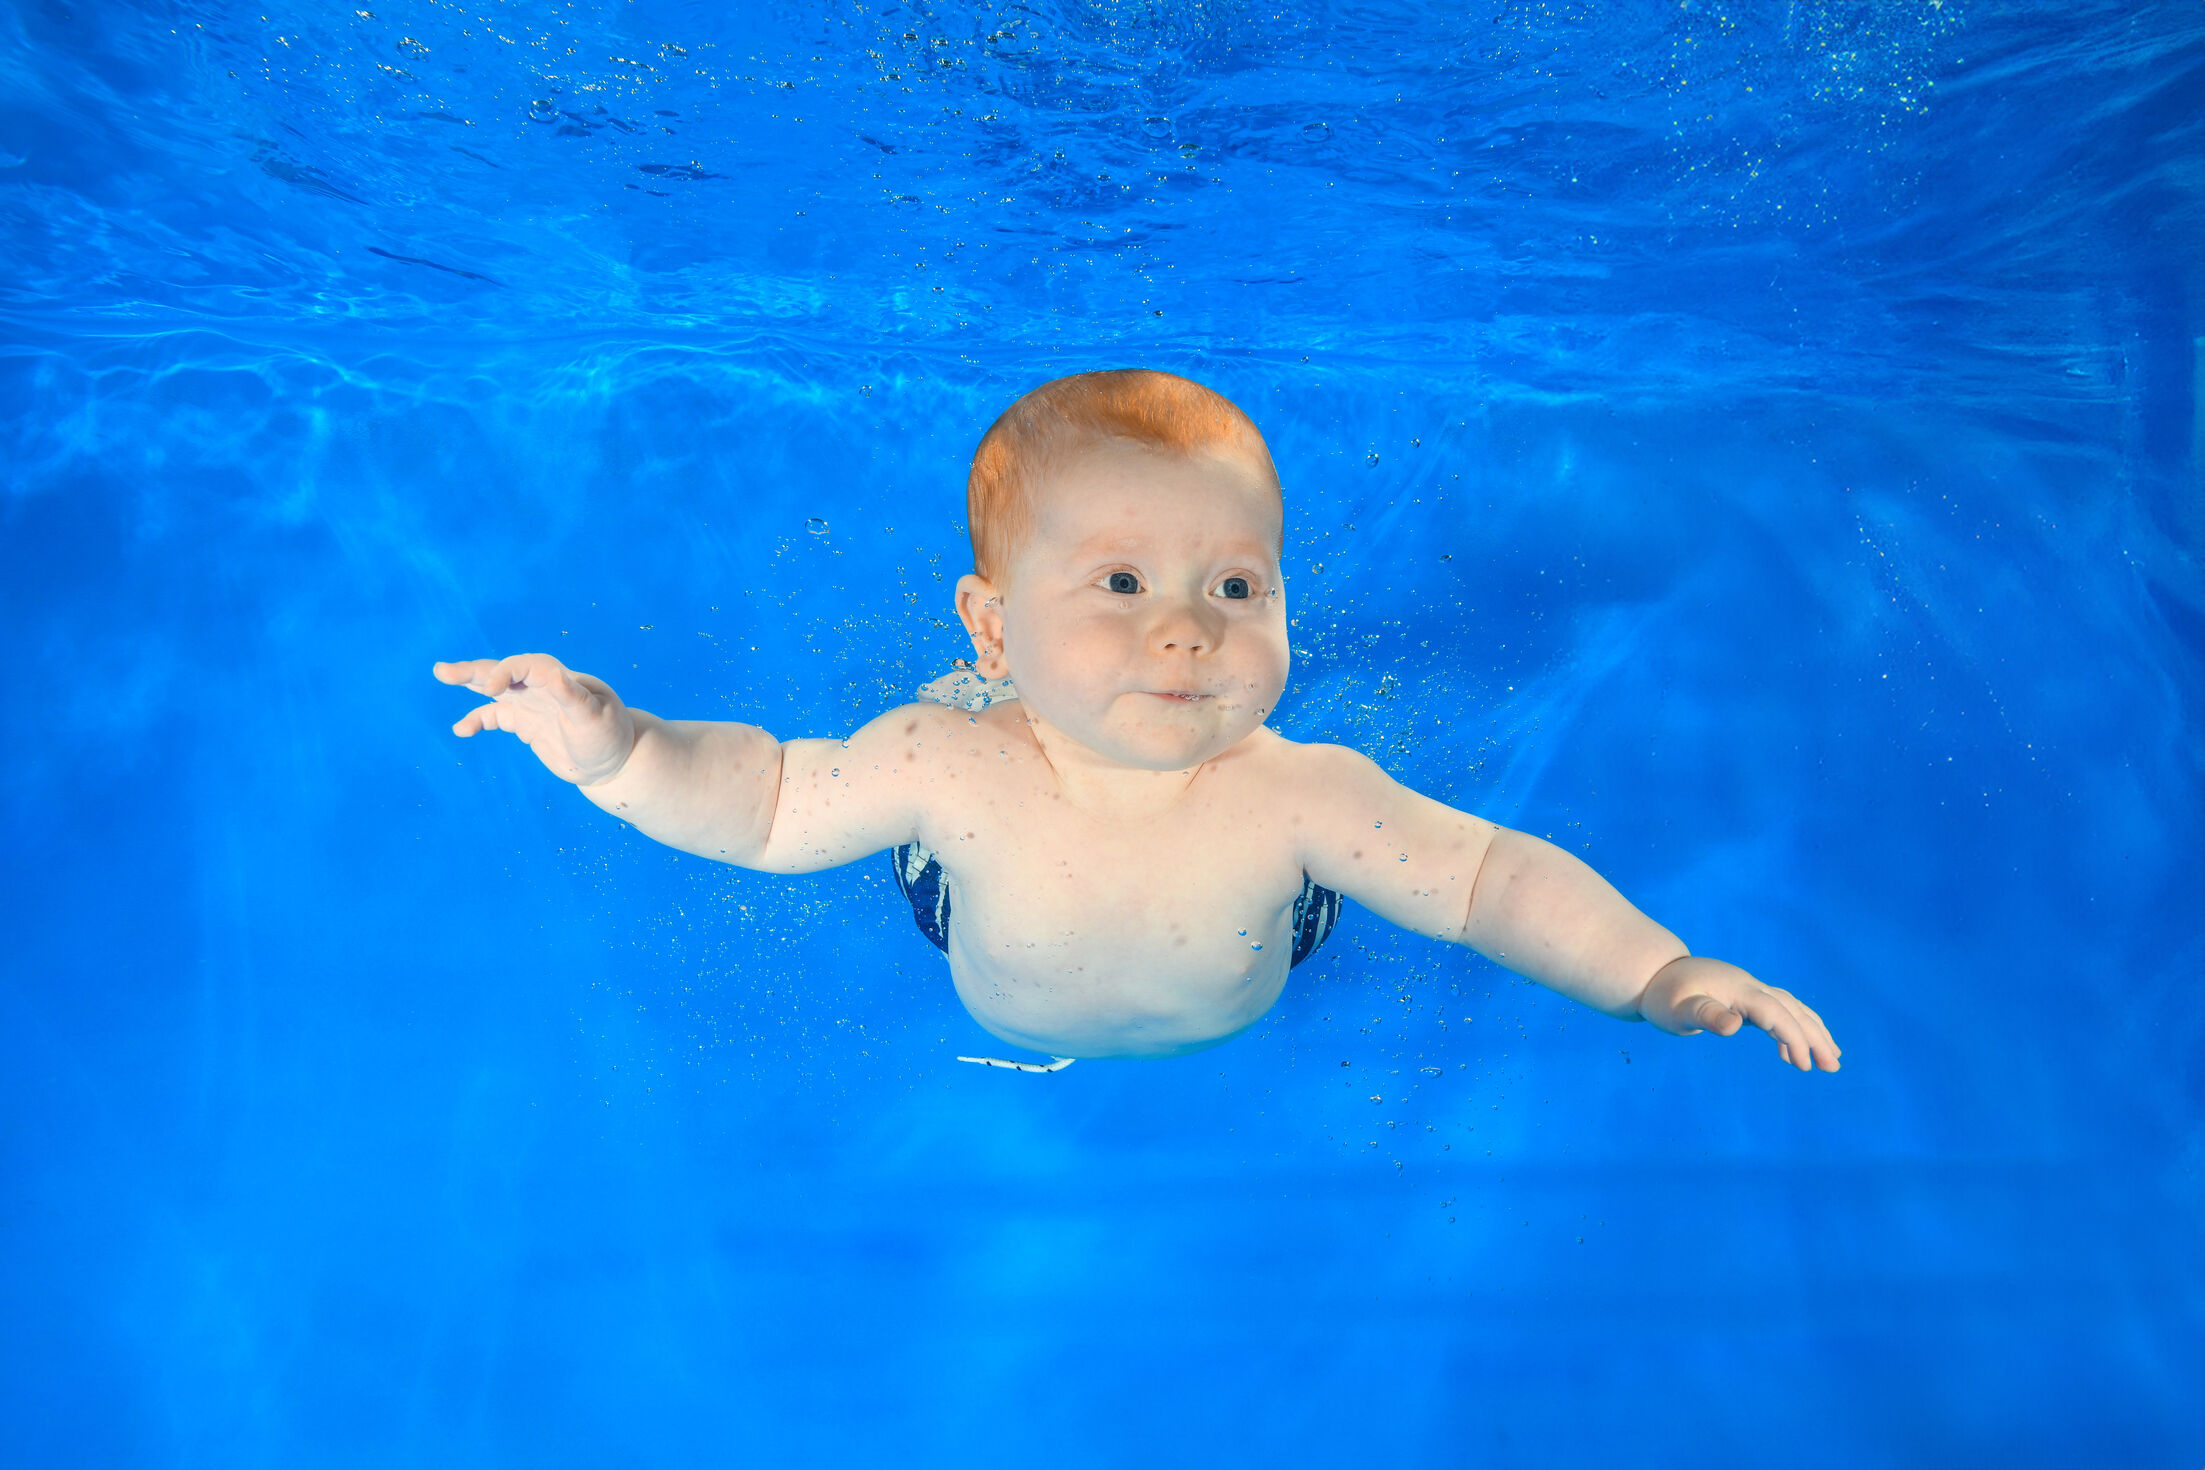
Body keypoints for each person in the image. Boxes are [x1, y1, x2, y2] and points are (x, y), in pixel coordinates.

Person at [433, 369, 1841, 1072]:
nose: (1188, 629)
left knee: (1379, 867)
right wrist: (617, 746)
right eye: (1120, 581)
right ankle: (1005, 691)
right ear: (989, 618)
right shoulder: (951, 767)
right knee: (877, 777)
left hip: (1260, 928)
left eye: (1236, 583)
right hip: (967, 904)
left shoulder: (1300, 790)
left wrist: (1658, 970)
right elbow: (762, 803)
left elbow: (1488, 883)